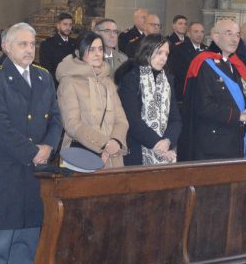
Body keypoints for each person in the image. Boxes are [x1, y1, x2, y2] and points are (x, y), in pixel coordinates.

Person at [0, 23, 62, 264]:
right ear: (6, 47)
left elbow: (56, 118)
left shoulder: (43, 76)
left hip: (37, 166)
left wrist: (48, 146)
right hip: (7, 164)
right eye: (23, 44)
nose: (29, 49)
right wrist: (32, 152)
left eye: (32, 44)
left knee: (28, 229)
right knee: (3, 232)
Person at [182, 18, 246, 160]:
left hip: (236, 139)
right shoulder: (204, 64)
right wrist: (238, 116)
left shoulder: (236, 64)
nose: (235, 39)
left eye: (237, 35)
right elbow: (203, 106)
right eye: (229, 33)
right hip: (213, 144)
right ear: (215, 36)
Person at [56, 31, 128, 169]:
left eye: (100, 49)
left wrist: (115, 141)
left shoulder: (107, 81)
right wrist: (104, 143)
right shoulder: (69, 82)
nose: (97, 54)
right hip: (82, 155)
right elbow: (72, 124)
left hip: (112, 157)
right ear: (78, 53)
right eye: (92, 50)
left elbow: (121, 120)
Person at [119, 33, 182, 166]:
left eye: (166, 54)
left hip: (165, 147)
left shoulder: (168, 80)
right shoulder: (131, 78)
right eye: (159, 52)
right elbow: (132, 119)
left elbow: (175, 119)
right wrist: (157, 143)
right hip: (137, 149)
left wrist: (167, 141)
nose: (163, 58)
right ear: (147, 51)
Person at [170, 21, 206, 103]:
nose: (199, 34)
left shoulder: (207, 50)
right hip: (184, 92)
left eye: (202, 32)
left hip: (201, 93)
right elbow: (177, 72)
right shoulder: (179, 49)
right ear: (188, 34)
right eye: (196, 31)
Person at [39, 12, 76, 81]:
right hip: (56, 82)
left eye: (70, 25)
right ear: (58, 26)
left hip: (73, 82)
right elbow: (46, 70)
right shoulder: (47, 44)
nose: (68, 27)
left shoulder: (75, 43)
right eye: (65, 24)